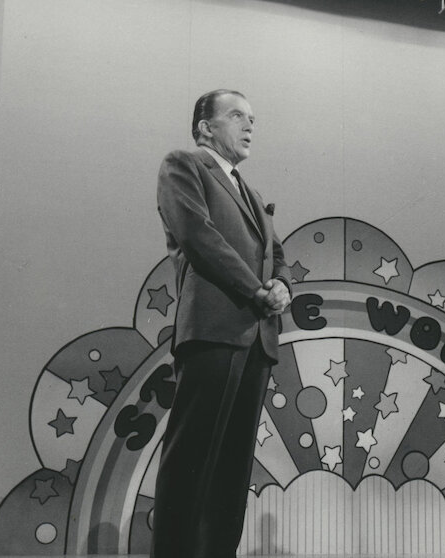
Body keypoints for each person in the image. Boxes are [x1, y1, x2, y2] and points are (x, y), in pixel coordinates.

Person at [152, 89, 292, 558]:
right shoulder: (184, 165)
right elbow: (198, 236)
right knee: (191, 459)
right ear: (205, 127)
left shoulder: (251, 193)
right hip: (214, 331)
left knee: (232, 471)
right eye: (236, 116)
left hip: (256, 339)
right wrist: (257, 289)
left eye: (253, 118)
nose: (249, 125)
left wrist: (282, 285)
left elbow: (277, 254)